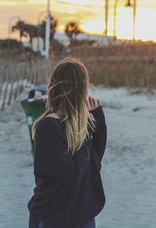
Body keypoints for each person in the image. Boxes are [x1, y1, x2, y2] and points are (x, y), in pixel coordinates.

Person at [28, 57, 107, 228]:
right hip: (55, 216)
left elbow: (94, 162)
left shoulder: (76, 124)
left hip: (82, 214)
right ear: (80, 89)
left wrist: (98, 120)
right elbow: (72, 175)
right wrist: (86, 132)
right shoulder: (49, 126)